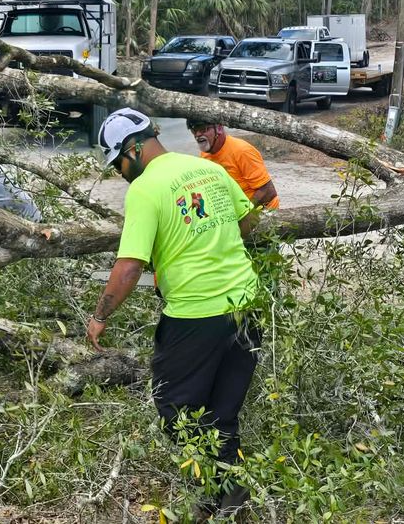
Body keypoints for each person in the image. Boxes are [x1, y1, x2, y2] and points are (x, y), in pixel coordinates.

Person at [88, 109, 261, 517]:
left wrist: (100, 316)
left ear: (131, 150)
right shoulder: (208, 170)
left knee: (174, 409)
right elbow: (249, 220)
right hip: (245, 307)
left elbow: (129, 267)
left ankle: (210, 493)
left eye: (118, 164)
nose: (120, 173)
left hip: (195, 317)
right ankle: (229, 497)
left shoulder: (145, 189)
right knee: (222, 411)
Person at [186, 119, 279, 210]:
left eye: (203, 129)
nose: (197, 135)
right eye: (194, 130)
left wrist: (246, 212)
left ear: (219, 128)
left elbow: (268, 191)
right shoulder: (205, 154)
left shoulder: (242, 151)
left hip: (262, 208)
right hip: (236, 208)